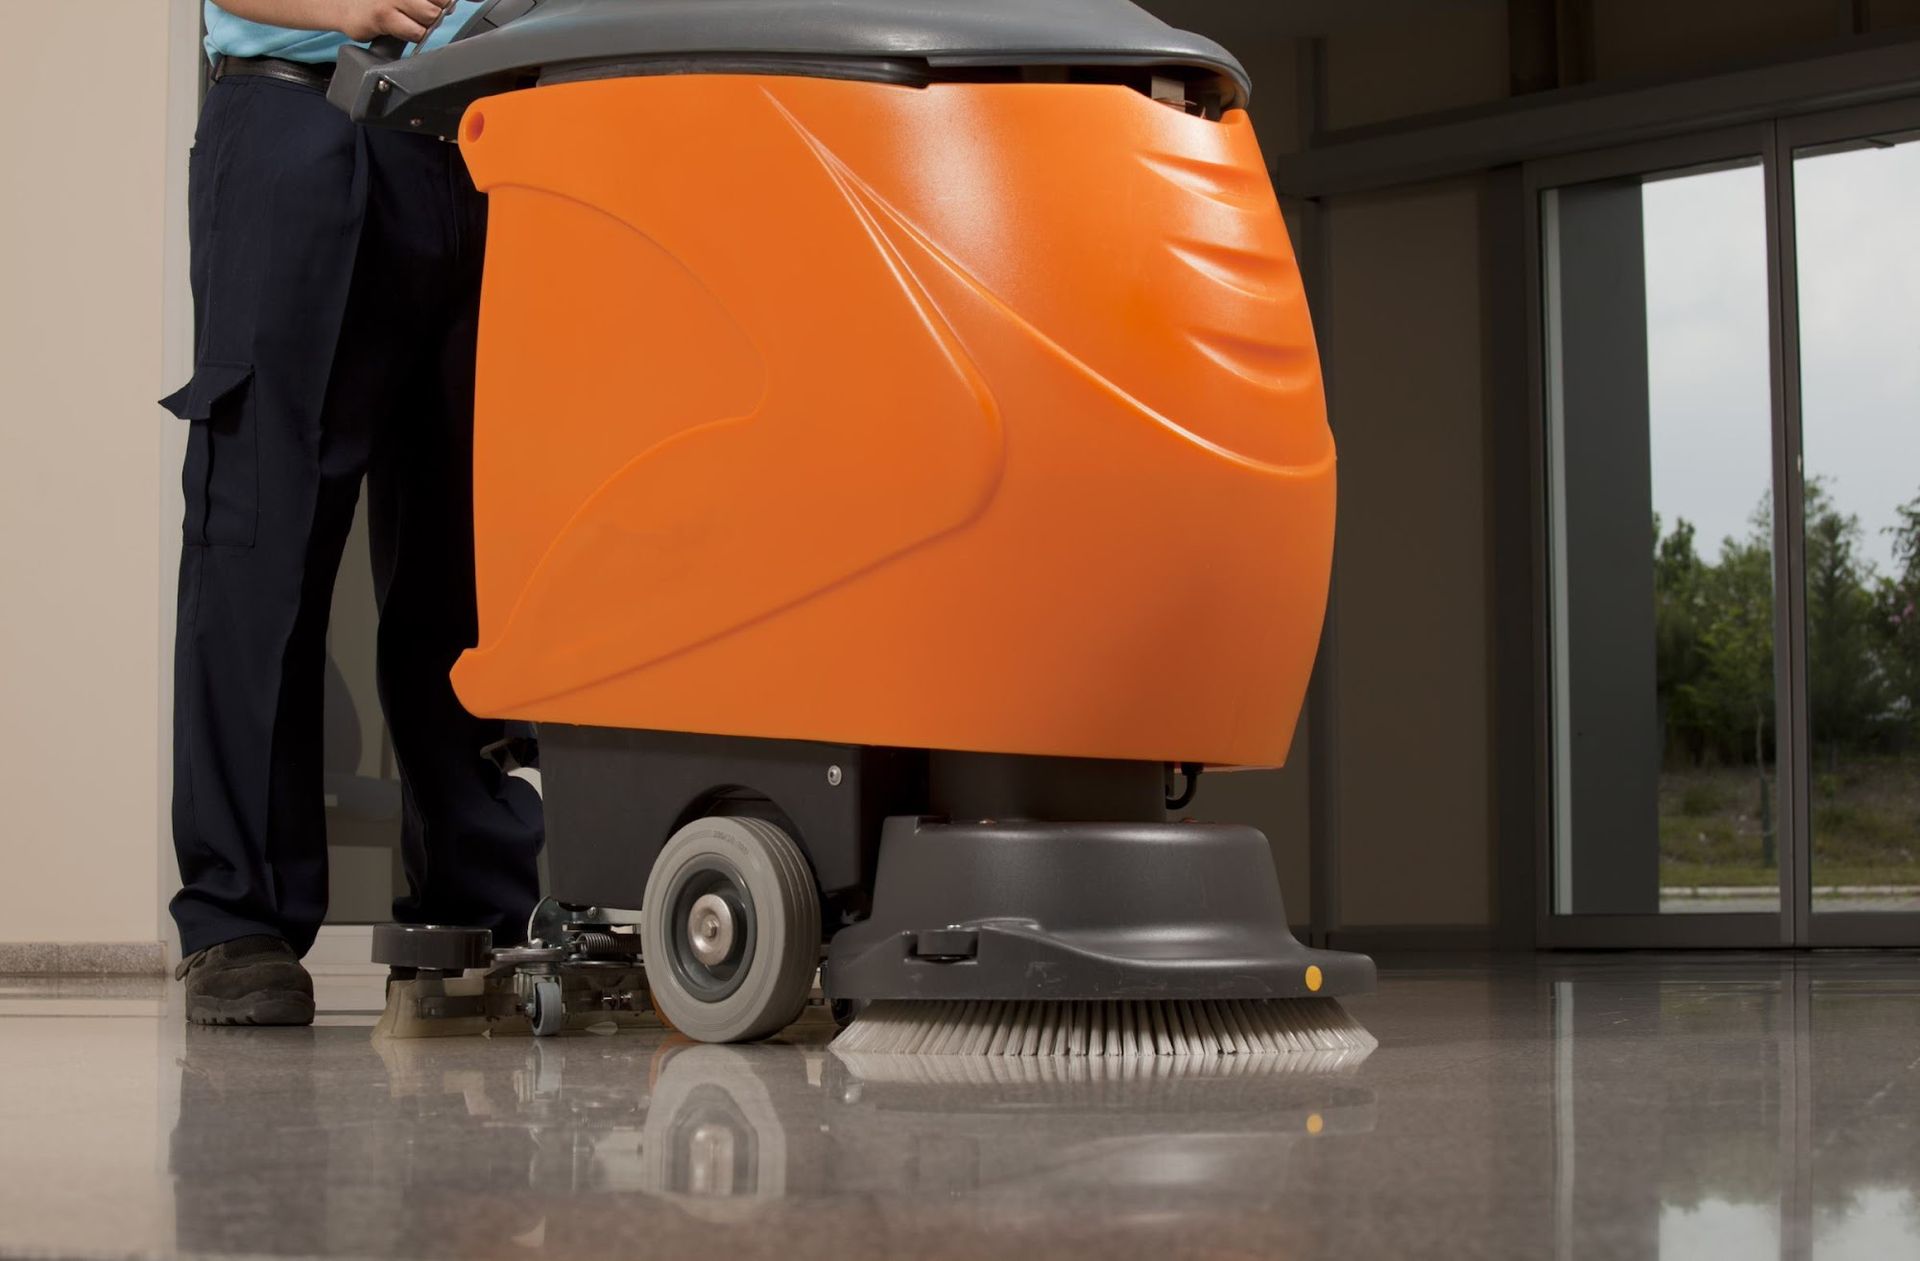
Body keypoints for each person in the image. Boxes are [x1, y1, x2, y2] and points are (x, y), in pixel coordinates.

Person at [164, 0, 542, 1026]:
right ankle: (239, 919)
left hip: (485, 146)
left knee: (470, 553)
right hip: (304, 121)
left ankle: (476, 906)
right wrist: (348, 6)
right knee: (263, 536)